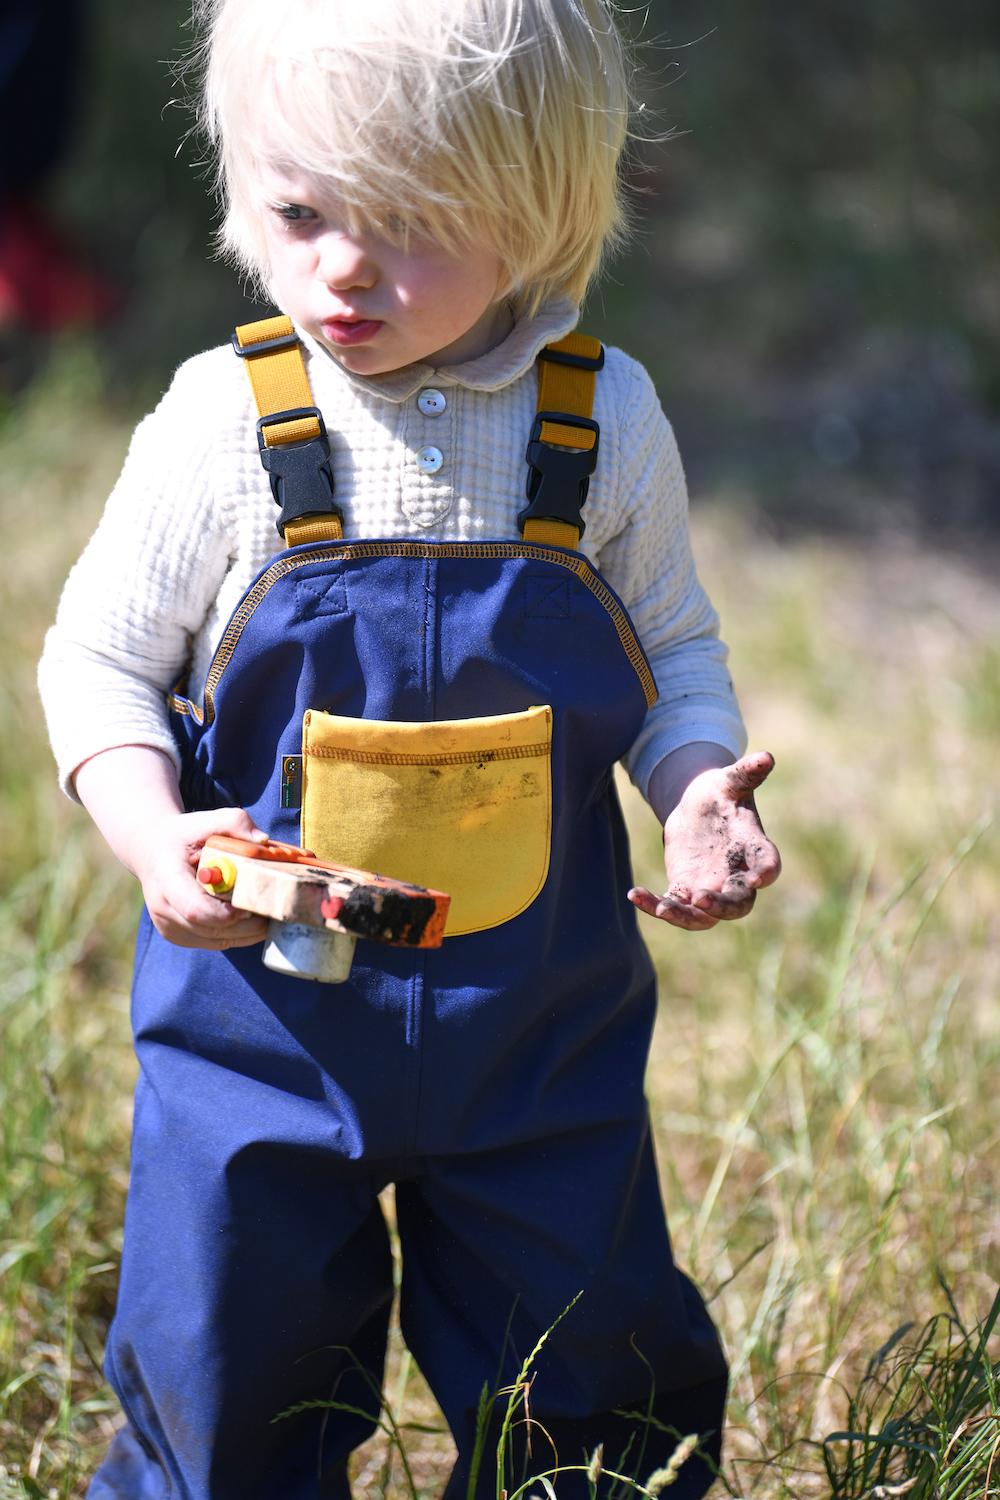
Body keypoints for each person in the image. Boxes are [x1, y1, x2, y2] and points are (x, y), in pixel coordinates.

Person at [38, 1, 781, 1495]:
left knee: (594, 1364)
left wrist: (697, 783)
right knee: (225, 1362)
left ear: (543, 213)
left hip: (539, 1028)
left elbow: (673, 655)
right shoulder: (223, 425)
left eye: (413, 225)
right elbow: (98, 664)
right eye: (300, 210)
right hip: (260, 1028)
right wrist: (150, 834)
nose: (342, 269)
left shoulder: (601, 423)